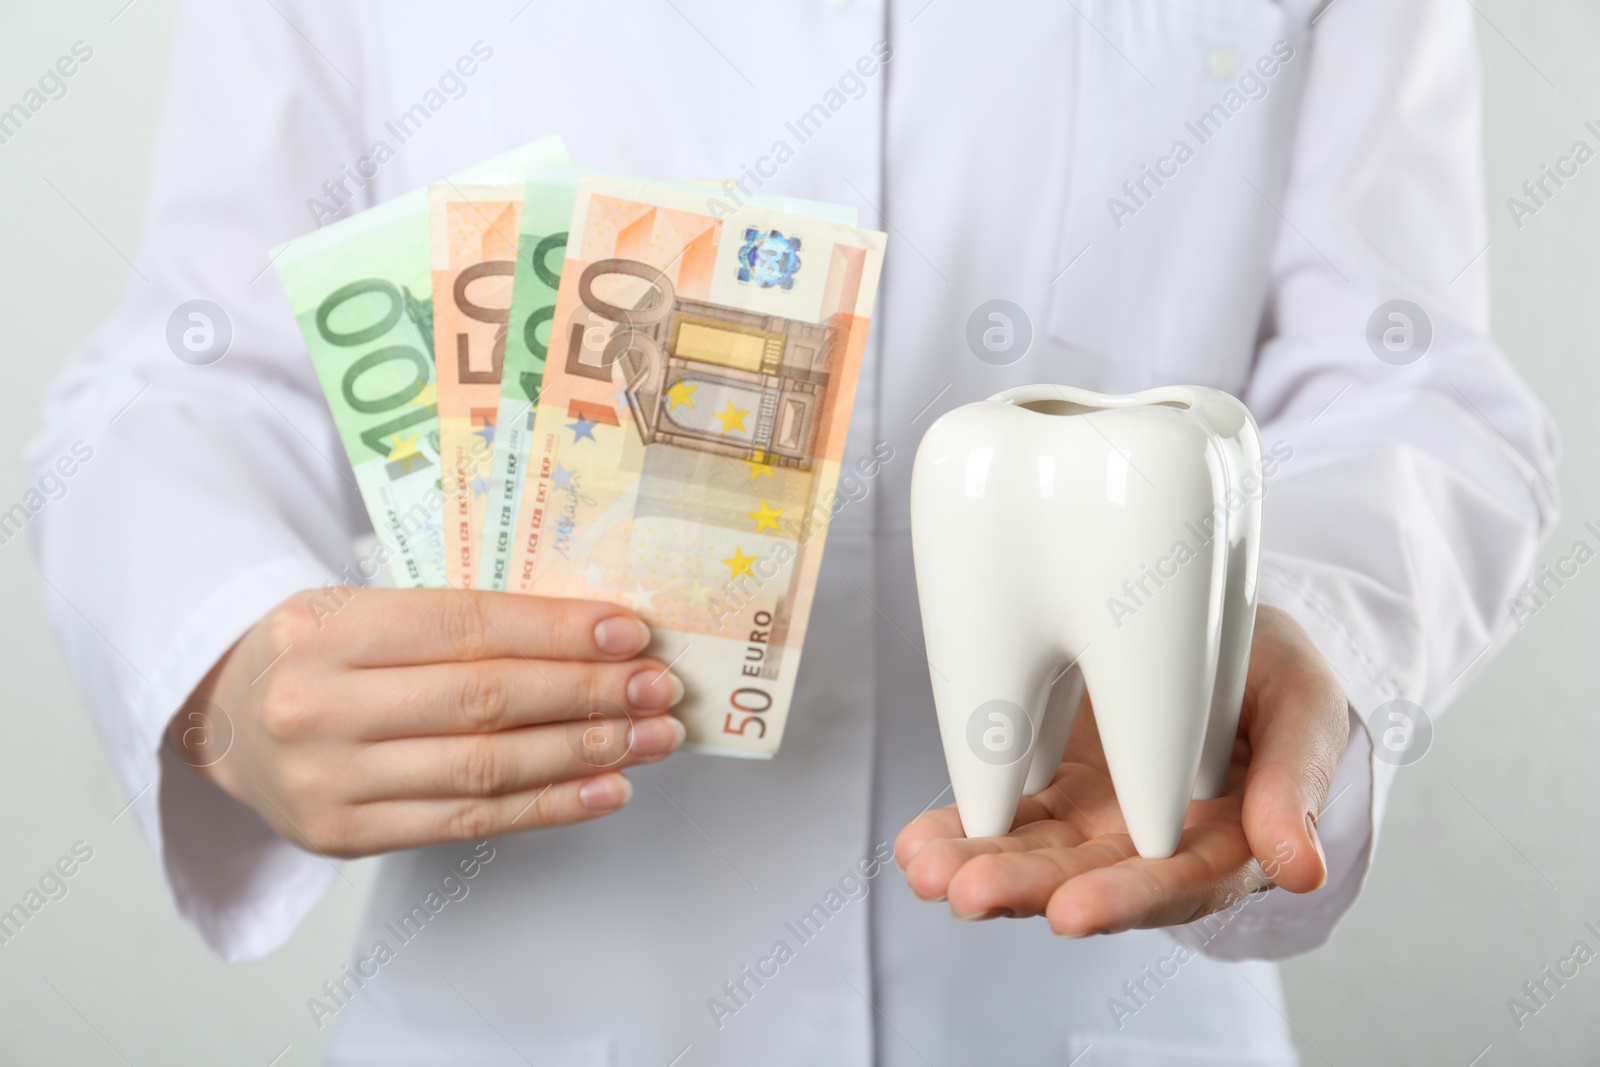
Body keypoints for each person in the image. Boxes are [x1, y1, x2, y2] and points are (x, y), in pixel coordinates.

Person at [27, 1, 1558, 1064]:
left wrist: (1291, 622)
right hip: (515, 1000)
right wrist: (229, 661)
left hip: (1104, 974)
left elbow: (1407, 381)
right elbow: (195, 363)